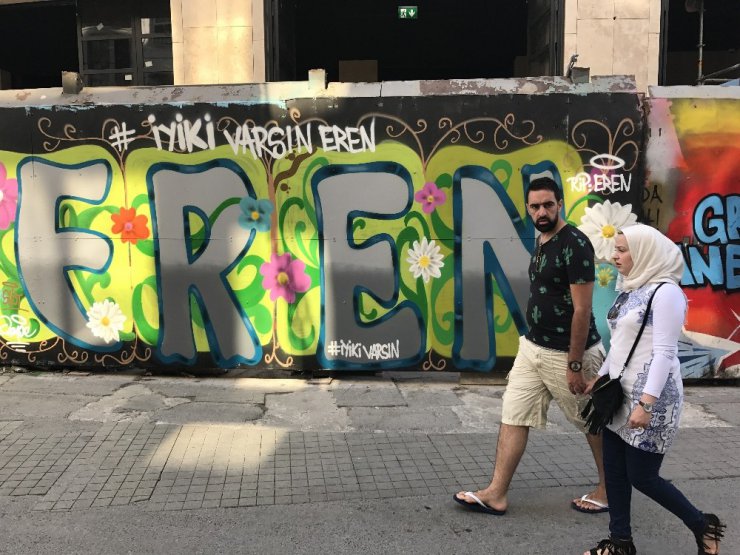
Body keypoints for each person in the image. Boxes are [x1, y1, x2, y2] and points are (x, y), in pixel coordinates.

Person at [453, 176, 608, 515]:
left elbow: (582, 309)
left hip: (567, 354)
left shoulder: (575, 243)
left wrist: (575, 364)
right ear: (528, 208)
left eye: (548, 205)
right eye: (535, 206)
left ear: (560, 204)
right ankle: (496, 493)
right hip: (532, 348)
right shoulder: (542, 238)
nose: (542, 211)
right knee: (513, 413)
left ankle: (609, 489)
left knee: (593, 423)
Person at [582, 224, 725, 555]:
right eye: (614, 249)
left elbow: (664, 352)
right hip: (620, 395)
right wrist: (601, 377)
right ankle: (620, 543)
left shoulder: (667, 293)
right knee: (615, 471)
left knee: (642, 476)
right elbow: (619, 344)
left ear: (645, 252)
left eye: (622, 250)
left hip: (653, 399)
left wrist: (646, 404)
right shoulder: (632, 288)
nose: (613, 256)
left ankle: (703, 525)